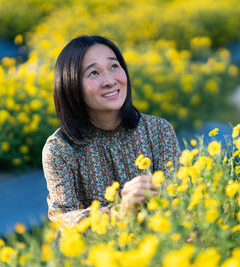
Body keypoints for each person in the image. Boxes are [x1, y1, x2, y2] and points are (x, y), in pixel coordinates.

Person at [42, 35, 180, 228]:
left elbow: (179, 198)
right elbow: (64, 220)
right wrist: (120, 211)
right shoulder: (59, 149)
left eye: (114, 66)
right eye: (93, 73)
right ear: (71, 85)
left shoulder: (158, 130)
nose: (109, 81)